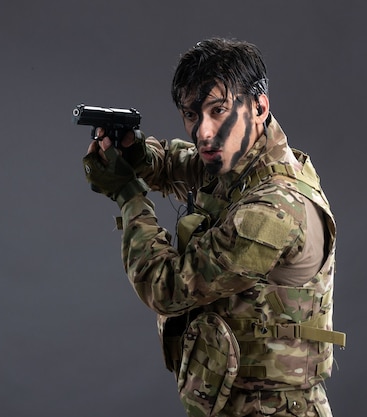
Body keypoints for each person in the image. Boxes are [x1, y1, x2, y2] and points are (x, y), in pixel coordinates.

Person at [82, 37, 346, 417]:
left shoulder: (274, 208)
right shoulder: (239, 163)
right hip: (228, 403)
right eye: (192, 114)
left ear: (258, 106)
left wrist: (129, 197)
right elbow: (176, 161)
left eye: (218, 110)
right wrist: (134, 152)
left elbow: (167, 286)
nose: (204, 131)